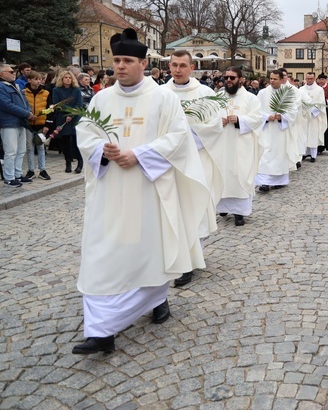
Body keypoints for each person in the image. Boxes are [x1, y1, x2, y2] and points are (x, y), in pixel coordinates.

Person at [72, 28, 208, 354]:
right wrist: (99, 151)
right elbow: (86, 133)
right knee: (102, 254)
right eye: (117, 60)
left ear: (143, 63)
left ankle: (156, 299)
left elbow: (178, 138)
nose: (120, 66)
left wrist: (139, 154)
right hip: (111, 190)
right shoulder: (103, 98)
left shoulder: (163, 98)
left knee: (149, 250)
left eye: (127, 60)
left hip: (149, 188)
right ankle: (101, 330)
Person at [164, 50, 223, 285]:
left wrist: (185, 136)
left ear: (192, 68)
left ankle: (190, 260)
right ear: (169, 67)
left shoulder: (205, 94)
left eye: (182, 65)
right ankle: (173, 256)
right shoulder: (160, 94)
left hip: (197, 160)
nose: (177, 70)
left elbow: (215, 126)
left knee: (194, 207)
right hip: (167, 163)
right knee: (172, 210)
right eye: (174, 65)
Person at [215, 66, 264, 224]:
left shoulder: (250, 98)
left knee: (239, 174)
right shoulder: (217, 97)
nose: (228, 80)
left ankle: (239, 213)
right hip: (222, 143)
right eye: (226, 77)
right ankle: (222, 208)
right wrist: (217, 122)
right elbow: (207, 117)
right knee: (221, 174)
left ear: (241, 79)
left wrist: (240, 120)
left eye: (232, 78)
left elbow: (257, 118)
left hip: (241, 144)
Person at [255, 69, 299, 192]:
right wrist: (266, 117)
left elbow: (293, 110)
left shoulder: (287, 93)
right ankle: (264, 181)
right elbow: (256, 110)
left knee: (279, 154)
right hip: (266, 128)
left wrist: (282, 116)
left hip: (280, 129)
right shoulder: (262, 93)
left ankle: (279, 180)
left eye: (275, 79)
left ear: (281, 80)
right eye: (271, 78)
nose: (272, 81)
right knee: (265, 153)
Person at [1, 63, 35, 187]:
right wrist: (26, 113)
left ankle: (17, 174)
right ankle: (9, 177)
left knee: (21, 150)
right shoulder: (1, 87)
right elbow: (7, 105)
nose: (13, 73)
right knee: (10, 151)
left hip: (21, 122)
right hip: (9, 123)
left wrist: (29, 111)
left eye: (13, 71)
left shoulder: (15, 86)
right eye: (10, 72)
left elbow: (24, 101)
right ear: (1, 74)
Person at [52, 70, 84, 173]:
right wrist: (67, 113)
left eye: (70, 78)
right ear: (62, 79)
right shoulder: (56, 90)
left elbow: (79, 103)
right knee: (66, 142)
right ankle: (68, 163)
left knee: (76, 141)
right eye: (66, 77)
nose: (68, 79)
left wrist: (71, 114)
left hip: (75, 117)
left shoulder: (76, 90)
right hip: (63, 117)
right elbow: (57, 104)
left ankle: (80, 162)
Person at [23, 71, 52, 180]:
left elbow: (50, 109)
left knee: (41, 146)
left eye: (40, 79)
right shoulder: (24, 92)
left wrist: (47, 124)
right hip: (28, 124)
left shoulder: (46, 93)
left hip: (41, 124)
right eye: (35, 79)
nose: (38, 81)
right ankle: (31, 170)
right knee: (30, 148)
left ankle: (42, 169)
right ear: (29, 80)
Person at [297, 72, 326, 161]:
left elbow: (321, 103)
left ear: (314, 79)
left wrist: (312, 111)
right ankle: (305, 153)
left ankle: (313, 155)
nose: (309, 80)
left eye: (311, 78)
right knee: (304, 134)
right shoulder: (301, 89)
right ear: (305, 79)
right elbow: (298, 101)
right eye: (308, 78)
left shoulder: (319, 90)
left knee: (313, 135)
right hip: (304, 116)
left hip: (314, 116)